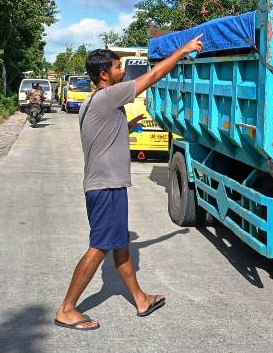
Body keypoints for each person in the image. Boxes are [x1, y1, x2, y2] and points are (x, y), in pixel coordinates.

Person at [54, 34, 204, 331]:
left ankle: (140, 298)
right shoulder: (110, 95)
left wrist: (132, 124)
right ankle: (67, 308)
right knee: (99, 246)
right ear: (104, 75)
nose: (122, 71)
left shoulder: (91, 104)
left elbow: (108, 135)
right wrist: (182, 50)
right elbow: (155, 75)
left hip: (103, 185)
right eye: (118, 67)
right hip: (106, 186)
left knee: (120, 243)